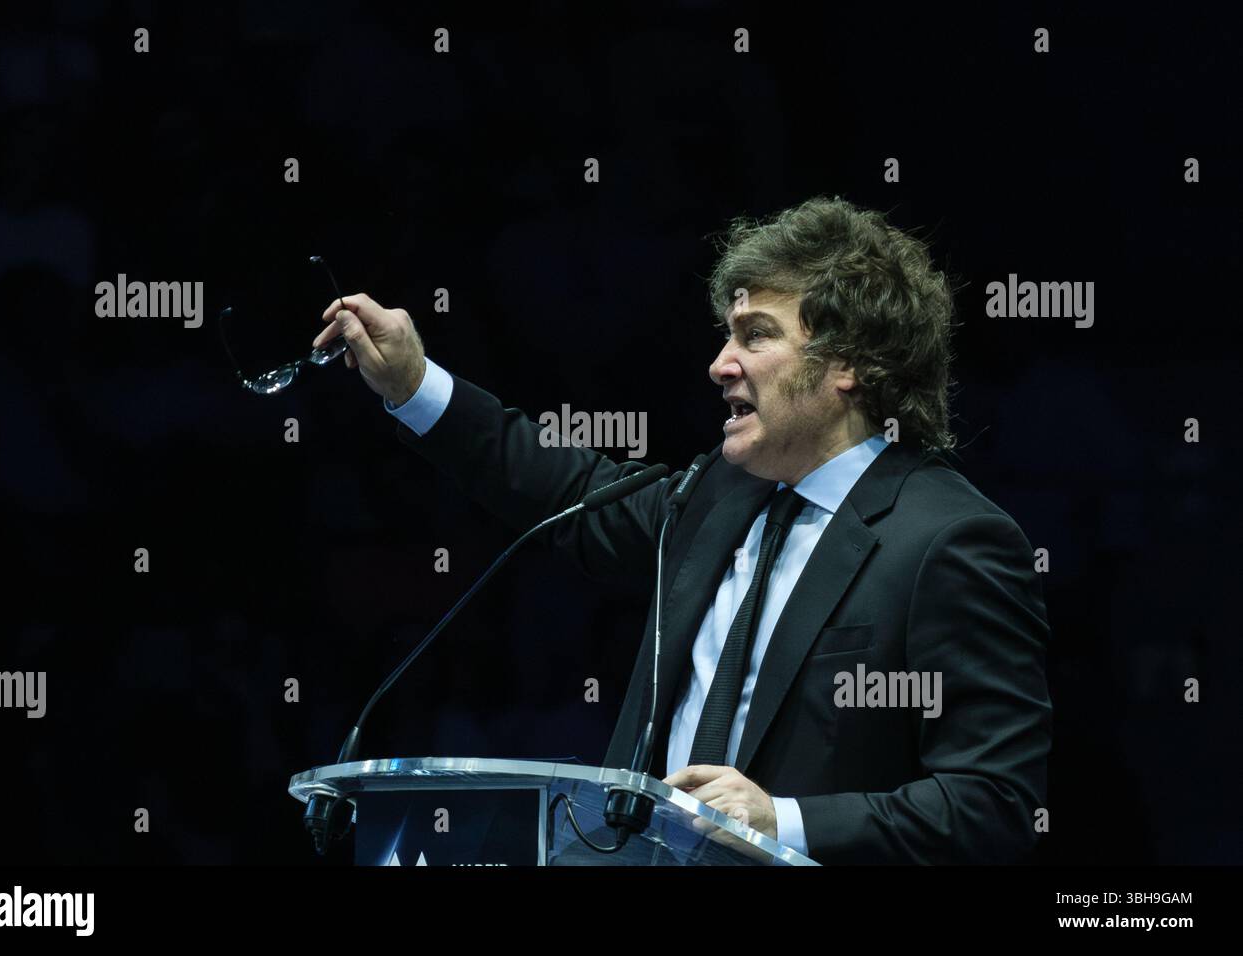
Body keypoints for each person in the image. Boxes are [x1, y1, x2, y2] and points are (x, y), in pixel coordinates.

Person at [312, 197, 1052, 864]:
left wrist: (781, 820)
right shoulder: (721, 493)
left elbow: (993, 805)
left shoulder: (950, 541)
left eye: (754, 337)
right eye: (727, 335)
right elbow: (567, 491)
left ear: (849, 363)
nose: (719, 364)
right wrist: (414, 386)